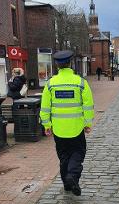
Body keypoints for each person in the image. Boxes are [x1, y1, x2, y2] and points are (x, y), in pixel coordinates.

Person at [40, 50, 94, 196]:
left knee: (63, 156)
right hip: (76, 128)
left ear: (57, 65)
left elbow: (45, 107)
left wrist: (47, 125)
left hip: (58, 129)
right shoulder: (81, 83)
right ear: (70, 63)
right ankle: (72, 176)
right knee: (78, 152)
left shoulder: (50, 84)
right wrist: (88, 123)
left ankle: (67, 184)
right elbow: (88, 105)